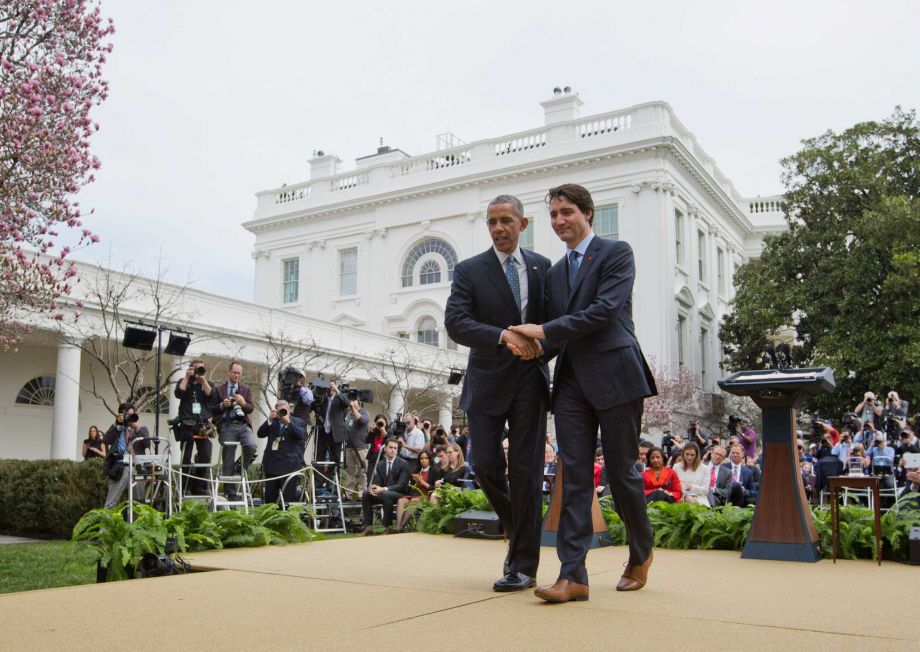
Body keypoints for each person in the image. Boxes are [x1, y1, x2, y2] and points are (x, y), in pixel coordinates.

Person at [511, 183, 657, 602]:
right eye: (554, 215)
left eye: (567, 212)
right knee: (572, 475)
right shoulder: (555, 274)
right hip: (572, 382)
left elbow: (604, 312)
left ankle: (641, 551)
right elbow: (554, 337)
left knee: (622, 472)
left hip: (616, 375)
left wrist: (544, 331)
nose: (559, 221)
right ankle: (572, 575)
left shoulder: (617, 253)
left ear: (587, 214)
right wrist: (531, 350)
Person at [444, 193, 552, 593]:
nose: (498, 229)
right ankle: (517, 523)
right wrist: (503, 336)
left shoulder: (543, 268)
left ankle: (523, 565)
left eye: (506, 221)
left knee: (525, 473)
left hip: (530, 381)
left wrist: (542, 347)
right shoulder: (470, 270)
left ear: (522, 224)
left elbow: (557, 323)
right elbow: (456, 322)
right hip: (486, 380)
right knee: (485, 465)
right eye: (492, 222)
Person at [211, 361, 258, 499]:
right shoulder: (219, 389)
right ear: (229, 372)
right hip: (227, 424)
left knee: (251, 446)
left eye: (239, 373)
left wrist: (243, 403)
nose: (236, 375)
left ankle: (239, 468)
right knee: (228, 455)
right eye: (234, 372)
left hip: (243, 424)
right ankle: (229, 492)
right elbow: (211, 409)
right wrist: (222, 405)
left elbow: (250, 408)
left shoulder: (245, 389)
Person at [174, 358, 215, 495]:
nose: (198, 371)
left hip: (203, 424)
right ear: (191, 369)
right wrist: (187, 376)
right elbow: (178, 393)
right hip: (187, 423)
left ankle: (197, 485)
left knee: (206, 455)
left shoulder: (207, 383)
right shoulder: (184, 381)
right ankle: (185, 487)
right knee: (186, 457)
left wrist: (203, 381)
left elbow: (212, 396)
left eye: (201, 369)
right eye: (196, 368)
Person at [257, 400, 307, 505]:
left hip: (289, 466)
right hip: (272, 465)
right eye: (279, 411)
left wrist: (288, 422)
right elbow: (260, 434)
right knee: (270, 500)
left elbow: (302, 436)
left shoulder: (298, 422)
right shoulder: (273, 422)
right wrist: (269, 420)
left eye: (284, 411)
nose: (282, 413)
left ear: (289, 411)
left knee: (288, 499)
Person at [102, 404, 149, 508]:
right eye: (127, 415)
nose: (129, 418)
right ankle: (106, 524)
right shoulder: (117, 429)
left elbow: (147, 444)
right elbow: (106, 440)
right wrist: (116, 424)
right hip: (120, 467)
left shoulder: (142, 429)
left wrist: (136, 427)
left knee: (138, 504)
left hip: (137, 467)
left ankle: (135, 524)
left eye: (132, 415)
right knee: (111, 502)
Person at [360, 438, 409, 535]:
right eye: (390, 447)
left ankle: (388, 527)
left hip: (400, 494)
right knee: (366, 494)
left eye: (395, 448)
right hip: (384, 493)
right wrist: (374, 488)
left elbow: (402, 485)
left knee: (387, 494)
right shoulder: (380, 464)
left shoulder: (403, 464)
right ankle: (368, 527)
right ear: (385, 449)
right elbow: (378, 483)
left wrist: (383, 489)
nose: (393, 450)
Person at [395, 449, 434, 531]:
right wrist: (413, 481)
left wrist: (422, 482)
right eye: (421, 458)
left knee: (414, 500)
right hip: (413, 494)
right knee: (401, 500)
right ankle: (398, 527)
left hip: (426, 496)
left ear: (430, 459)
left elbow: (433, 488)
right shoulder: (416, 470)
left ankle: (401, 527)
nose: (423, 460)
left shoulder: (434, 471)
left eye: (426, 458)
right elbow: (411, 487)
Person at [341, 393, 370, 500]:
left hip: (361, 448)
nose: (351, 402)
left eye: (354, 400)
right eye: (350, 400)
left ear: (358, 401)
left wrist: (353, 408)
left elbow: (362, 420)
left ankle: (362, 494)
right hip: (349, 448)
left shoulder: (364, 412)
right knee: (350, 472)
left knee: (363, 472)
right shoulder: (348, 414)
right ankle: (348, 494)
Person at [673, 442, 710, 506]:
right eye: (687, 454)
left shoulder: (705, 468)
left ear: (696, 455)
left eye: (692, 455)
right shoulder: (676, 467)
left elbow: (706, 490)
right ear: (683, 454)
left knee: (690, 500)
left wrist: (691, 487)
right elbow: (673, 486)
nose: (689, 458)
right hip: (680, 498)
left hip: (699, 499)